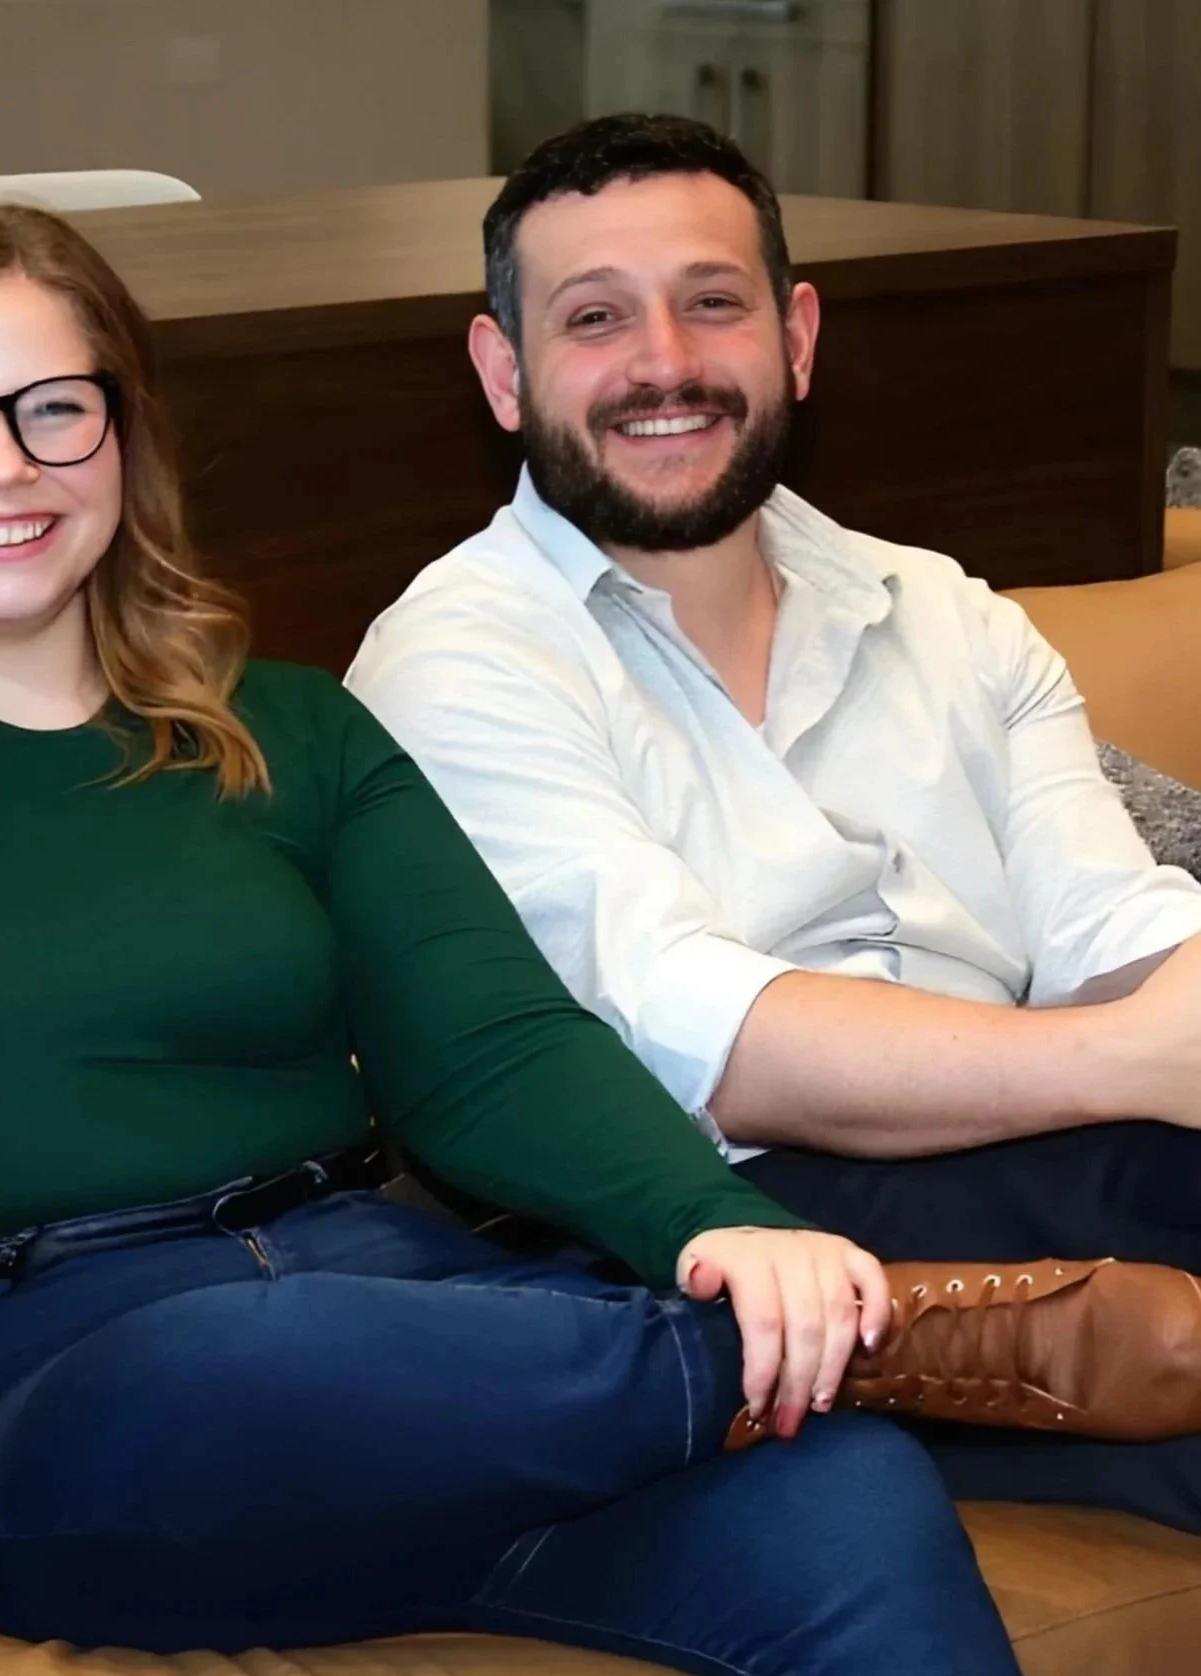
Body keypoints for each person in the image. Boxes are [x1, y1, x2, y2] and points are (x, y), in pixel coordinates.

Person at [0, 205, 1026, 1675]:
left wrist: (725, 1229)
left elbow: (494, 1048)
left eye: (56, 410)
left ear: (125, 435)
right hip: (56, 1398)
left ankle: (795, 1371)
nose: (4, 467)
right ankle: (879, 1349)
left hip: (416, 1346)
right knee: (250, 1365)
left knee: (846, 1499)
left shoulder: (292, 729)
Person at [345, 112, 1201, 1531]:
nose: (665, 363)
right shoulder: (457, 663)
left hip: (1048, 1148)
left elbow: (1110, 920)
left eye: (713, 304)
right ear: (505, 373)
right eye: (597, 318)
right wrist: (1132, 1057)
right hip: (731, 1224)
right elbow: (711, 1040)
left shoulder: (946, 612)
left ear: (797, 336)